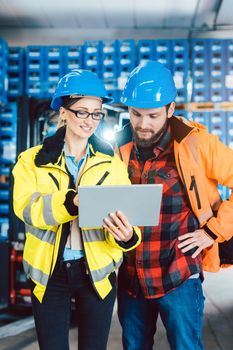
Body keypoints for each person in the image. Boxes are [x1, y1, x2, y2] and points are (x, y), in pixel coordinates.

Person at [12, 69, 141, 350]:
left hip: (96, 272)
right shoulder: (31, 161)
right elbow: (27, 209)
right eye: (82, 112)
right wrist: (69, 202)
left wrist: (127, 236)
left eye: (96, 113)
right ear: (63, 112)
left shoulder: (111, 163)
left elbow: (129, 218)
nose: (90, 120)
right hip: (50, 273)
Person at [114, 60, 233, 350]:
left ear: (170, 109)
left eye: (153, 115)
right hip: (132, 275)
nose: (143, 124)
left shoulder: (197, 144)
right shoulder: (119, 147)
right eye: (135, 114)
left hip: (179, 272)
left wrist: (213, 231)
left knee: (185, 346)